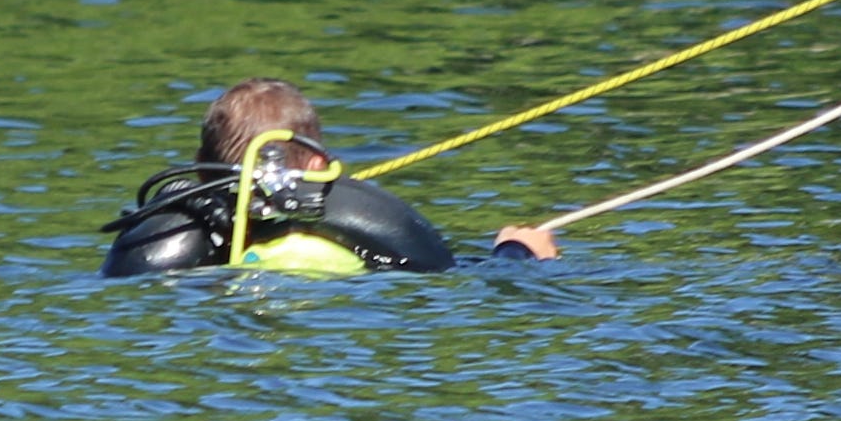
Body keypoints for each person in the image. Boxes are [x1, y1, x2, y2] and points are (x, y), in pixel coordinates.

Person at [99, 79, 553, 274]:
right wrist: (516, 253)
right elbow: (451, 279)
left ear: (201, 168)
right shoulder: (338, 240)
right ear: (320, 164)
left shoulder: (184, 240)